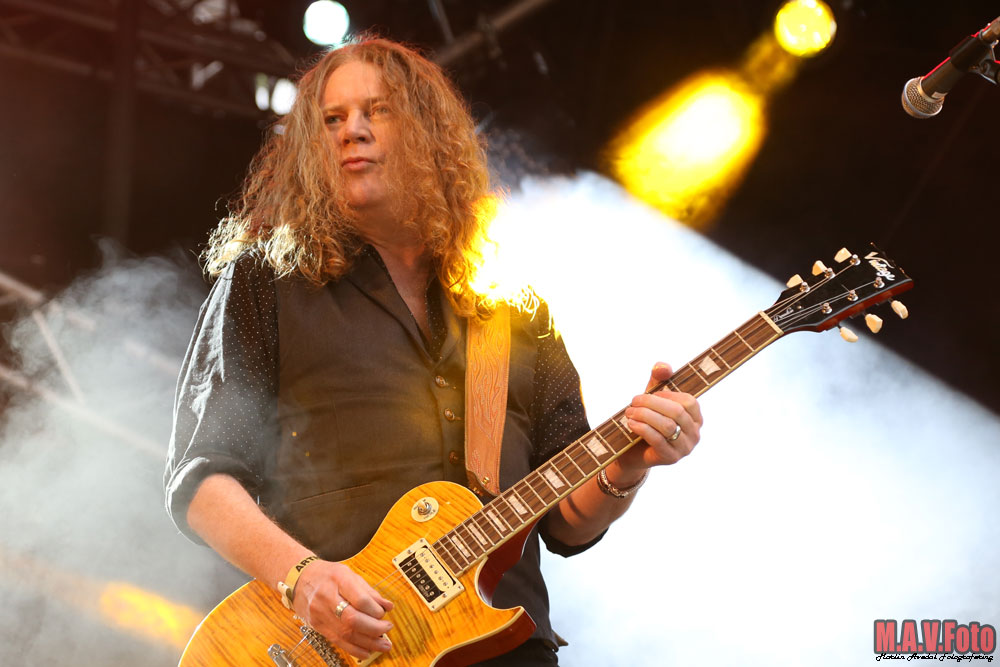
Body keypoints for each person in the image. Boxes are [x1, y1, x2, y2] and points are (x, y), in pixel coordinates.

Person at [164, 36, 702, 666]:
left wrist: (627, 467)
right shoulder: (268, 280)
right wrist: (301, 576)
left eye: (378, 111)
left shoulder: (513, 303)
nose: (352, 131)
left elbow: (565, 521)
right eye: (332, 119)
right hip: (331, 647)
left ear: (428, 135)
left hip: (504, 649)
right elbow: (202, 479)